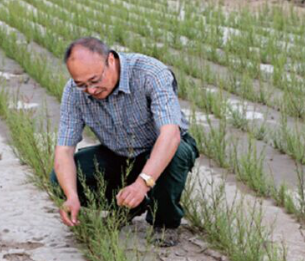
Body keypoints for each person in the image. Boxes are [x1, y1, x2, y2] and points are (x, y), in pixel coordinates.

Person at [50, 37, 199, 247]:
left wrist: (142, 184)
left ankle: (164, 222)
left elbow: (170, 135)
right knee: (61, 179)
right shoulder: (73, 92)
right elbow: (64, 150)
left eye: (94, 81)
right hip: (119, 154)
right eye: (82, 85)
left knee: (174, 154)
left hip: (161, 150)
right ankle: (129, 205)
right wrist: (71, 196)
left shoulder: (151, 74)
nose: (90, 90)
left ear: (110, 60)